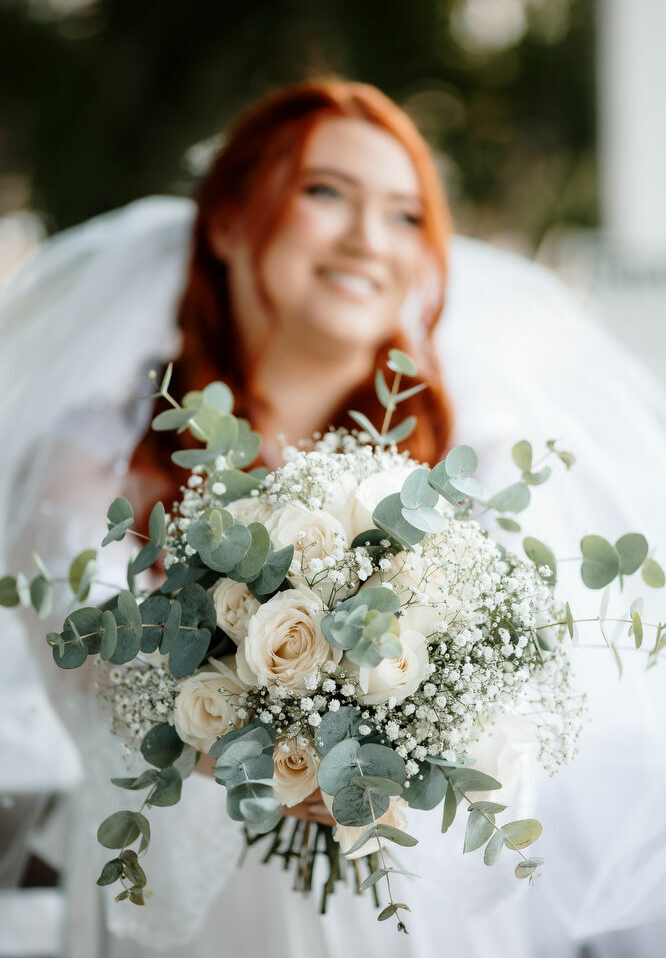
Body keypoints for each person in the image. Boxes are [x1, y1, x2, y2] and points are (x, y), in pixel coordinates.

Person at [1, 79, 665, 958]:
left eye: (403, 215)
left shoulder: (487, 459)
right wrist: (254, 747)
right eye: (325, 193)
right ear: (229, 222)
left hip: (417, 915)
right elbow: (81, 662)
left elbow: (539, 695)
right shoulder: (96, 456)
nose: (368, 240)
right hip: (182, 918)